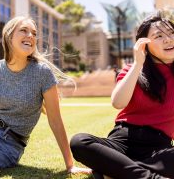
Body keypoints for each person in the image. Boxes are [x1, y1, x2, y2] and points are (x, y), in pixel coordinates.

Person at [0, 16, 91, 175]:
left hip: (9, 146)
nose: (30, 36)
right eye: (24, 30)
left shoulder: (42, 73)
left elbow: (55, 120)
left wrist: (70, 165)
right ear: (9, 36)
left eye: (34, 33)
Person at [70, 11, 174, 179]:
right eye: (159, 35)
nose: (168, 39)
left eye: (171, 33)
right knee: (79, 142)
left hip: (158, 147)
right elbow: (118, 102)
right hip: (122, 141)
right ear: (144, 45)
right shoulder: (132, 70)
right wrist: (138, 64)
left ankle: (114, 170)